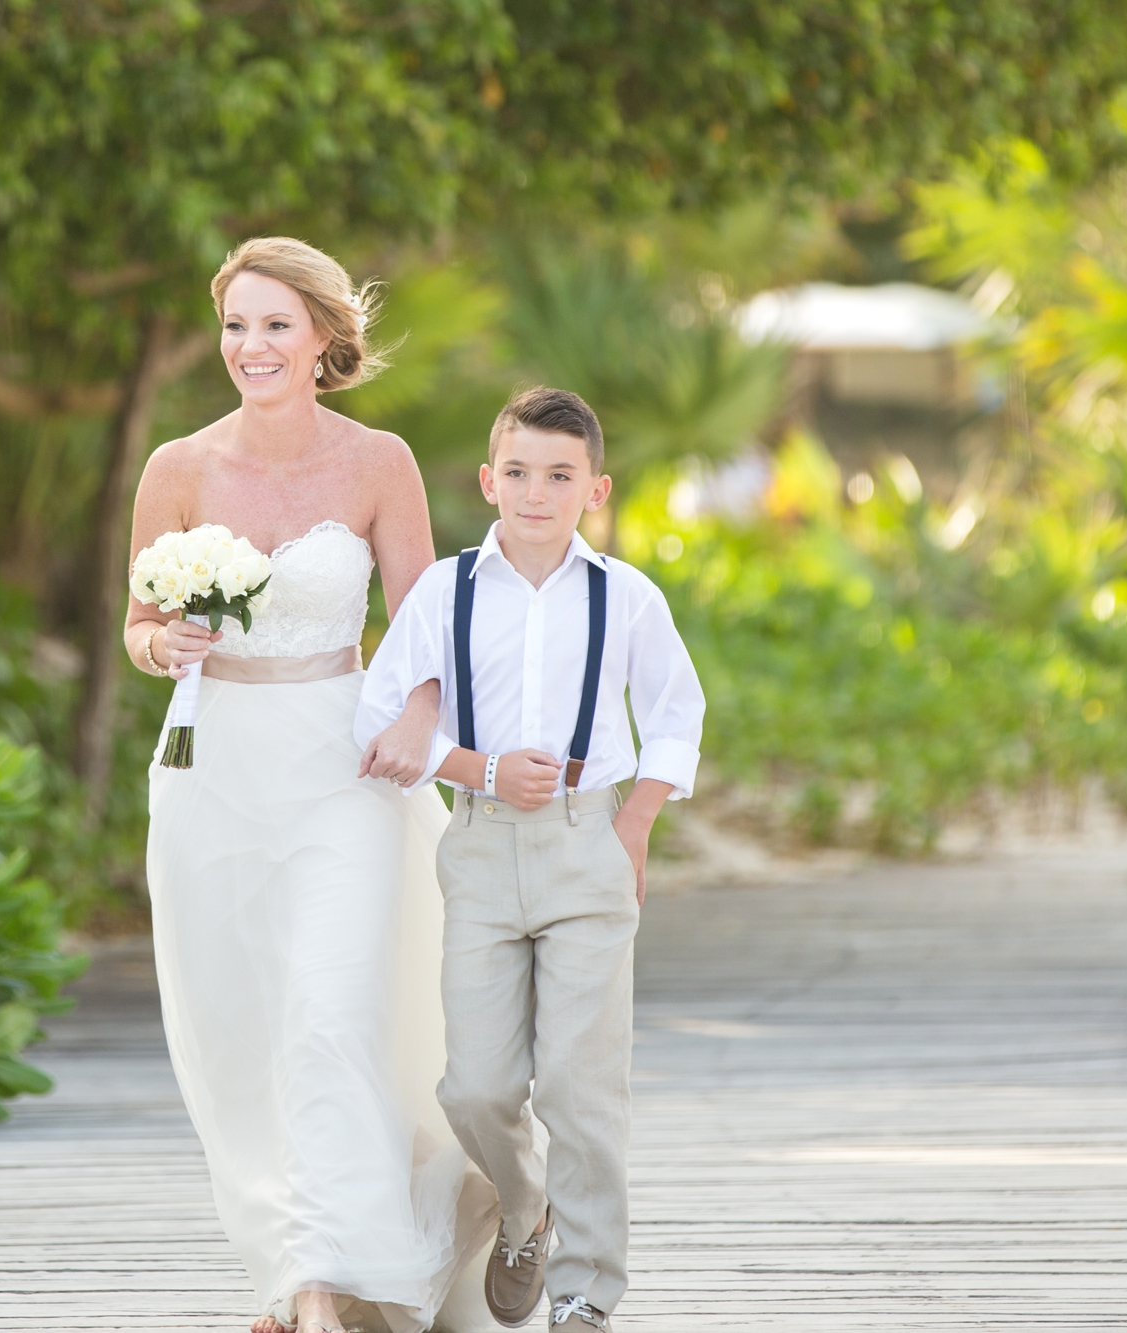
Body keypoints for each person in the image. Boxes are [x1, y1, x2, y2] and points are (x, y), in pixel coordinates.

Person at [125, 237, 499, 1333]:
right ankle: (294, 1263)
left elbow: (423, 628)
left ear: (325, 339)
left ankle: (324, 1286)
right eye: (236, 325)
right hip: (215, 770)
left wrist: (416, 722)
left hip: (343, 767)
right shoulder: (176, 468)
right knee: (244, 1021)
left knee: (329, 1011)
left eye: (274, 325)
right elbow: (137, 627)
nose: (251, 346)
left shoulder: (376, 461)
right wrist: (166, 644)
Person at [356, 387, 706, 1330]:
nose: (536, 493)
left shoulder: (626, 595)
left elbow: (679, 714)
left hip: (590, 843)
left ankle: (587, 1290)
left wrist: (633, 823)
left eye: (559, 476)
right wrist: (478, 766)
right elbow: (376, 716)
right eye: (517, 472)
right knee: (474, 1082)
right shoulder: (446, 591)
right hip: (479, 844)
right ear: (487, 480)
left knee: (583, 1085)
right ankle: (523, 1206)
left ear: (595, 488)